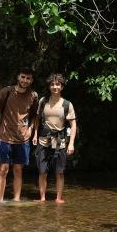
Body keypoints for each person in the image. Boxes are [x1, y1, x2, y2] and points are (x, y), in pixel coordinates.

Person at [0, 67, 39, 202]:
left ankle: (16, 201)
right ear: (18, 77)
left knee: (18, 170)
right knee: (3, 170)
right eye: (22, 77)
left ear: (31, 80)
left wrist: (31, 129)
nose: (25, 80)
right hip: (5, 137)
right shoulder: (5, 92)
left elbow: (35, 116)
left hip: (22, 139)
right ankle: (0, 201)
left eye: (28, 78)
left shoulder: (33, 96)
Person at [33, 73, 77, 203]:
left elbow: (73, 125)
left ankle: (58, 198)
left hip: (60, 142)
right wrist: (35, 134)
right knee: (42, 171)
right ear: (49, 86)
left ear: (62, 86)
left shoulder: (67, 104)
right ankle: (42, 198)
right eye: (52, 84)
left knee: (59, 172)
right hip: (43, 140)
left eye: (57, 84)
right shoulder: (43, 101)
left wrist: (71, 144)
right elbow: (37, 119)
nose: (55, 87)